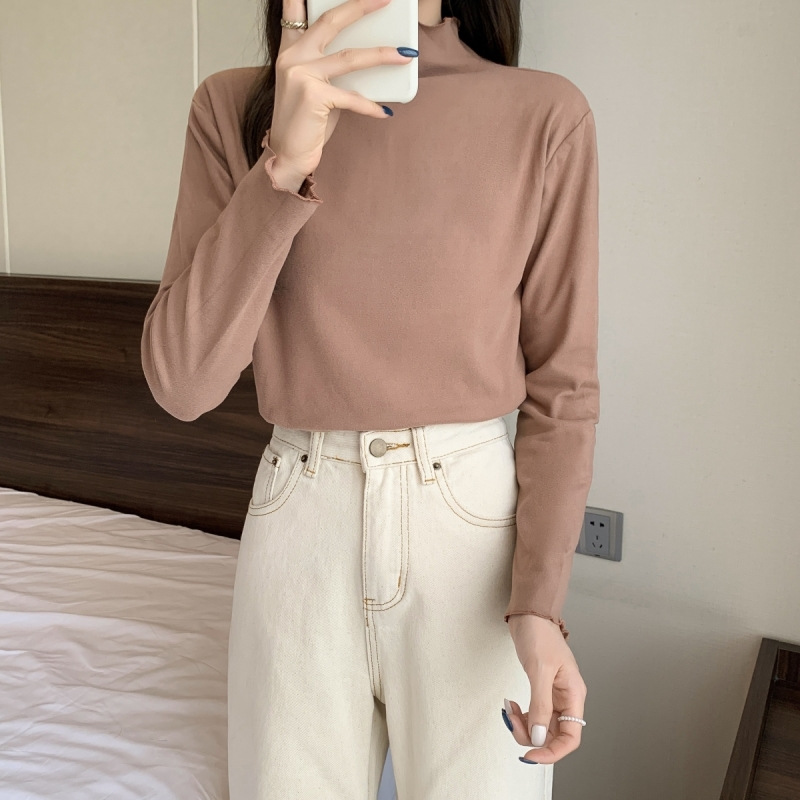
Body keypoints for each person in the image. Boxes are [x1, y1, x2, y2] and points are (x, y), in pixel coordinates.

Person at [140, 0, 599, 796]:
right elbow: (183, 382)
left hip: (471, 535)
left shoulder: (542, 113)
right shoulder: (231, 106)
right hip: (299, 516)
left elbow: (565, 386)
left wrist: (538, 603)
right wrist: (282, 165)